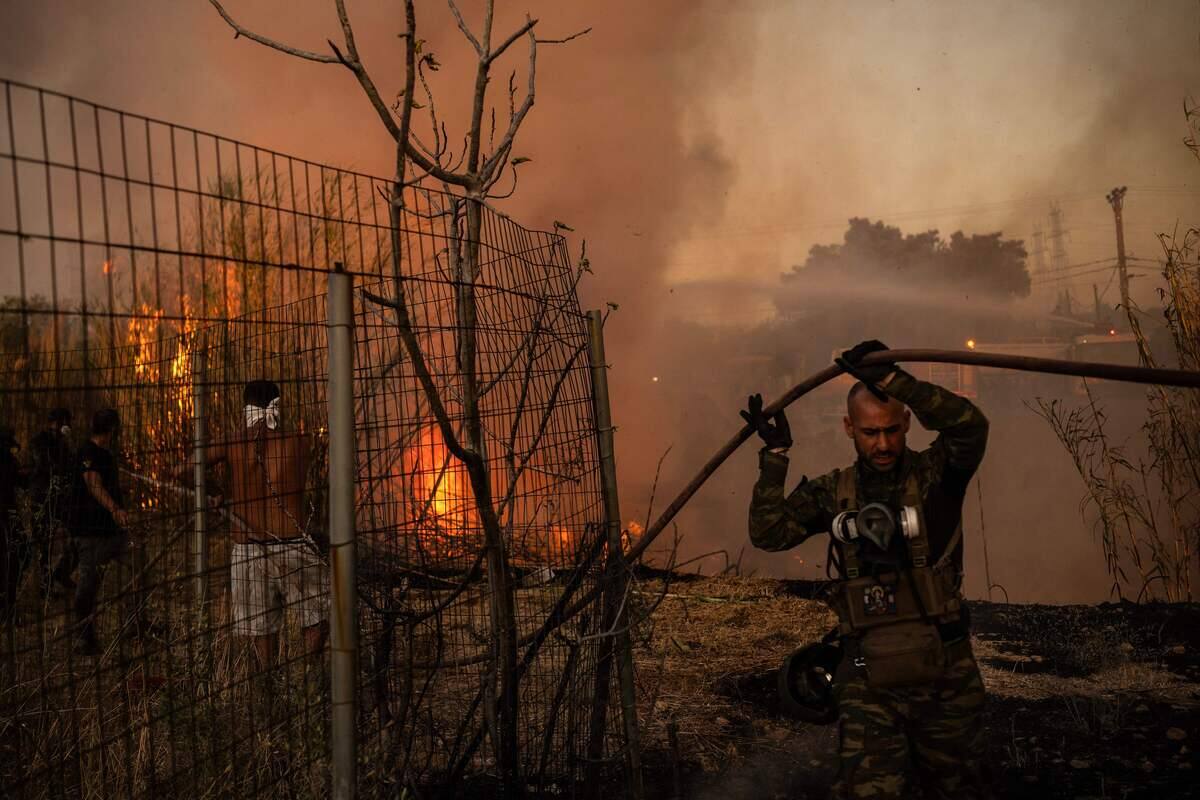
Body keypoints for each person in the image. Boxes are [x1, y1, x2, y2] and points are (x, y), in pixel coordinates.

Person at [745, 340, 990, 800]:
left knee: (960, 788)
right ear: (848, 428)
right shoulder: (832, 493)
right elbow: (769, 533)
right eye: (870, 432)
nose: (882, 443)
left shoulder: (937, 474)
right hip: (867, 677)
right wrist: (775, 457)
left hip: (946, 672)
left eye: (893, 430)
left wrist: (896, 382)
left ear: (907, 424)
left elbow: (970, 426)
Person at [199, 380, 327, 670]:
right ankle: (306, 679)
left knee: (261, 629)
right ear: (277, 406)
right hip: (293, 545)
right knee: (317, 618)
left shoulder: (232, 442)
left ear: (245, 407)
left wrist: (214, 490)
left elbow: (184, 468)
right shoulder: (299, 441)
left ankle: (269, 689)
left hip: (248, 550)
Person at [72, 408, 154, 655]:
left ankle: (135, 623)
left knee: (141, 563)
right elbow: (93, 485)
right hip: (92, 533)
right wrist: (115, 509)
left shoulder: (105, 454)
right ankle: (84, 639)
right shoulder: (88, 452)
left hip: (113, 534)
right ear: (111, 429)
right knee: (89, 585)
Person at [28, 407, 77, 596]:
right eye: (63, 422)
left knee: (78, 532)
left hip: (60, 498)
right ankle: (44, 586)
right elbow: (45, 465)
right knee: (43, 543)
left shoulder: (64, 443)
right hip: (42, 498)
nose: (66, 426)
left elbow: (72, 465)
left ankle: (62, 573)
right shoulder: (39, 442)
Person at [0, 427, 28, 621]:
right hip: (6, 516)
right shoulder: (8, 461)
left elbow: (21, 481)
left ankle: (7, 604)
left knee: (20, 553)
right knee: (13, 558)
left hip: (9, 514)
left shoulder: (10, 462)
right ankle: (6, 606)